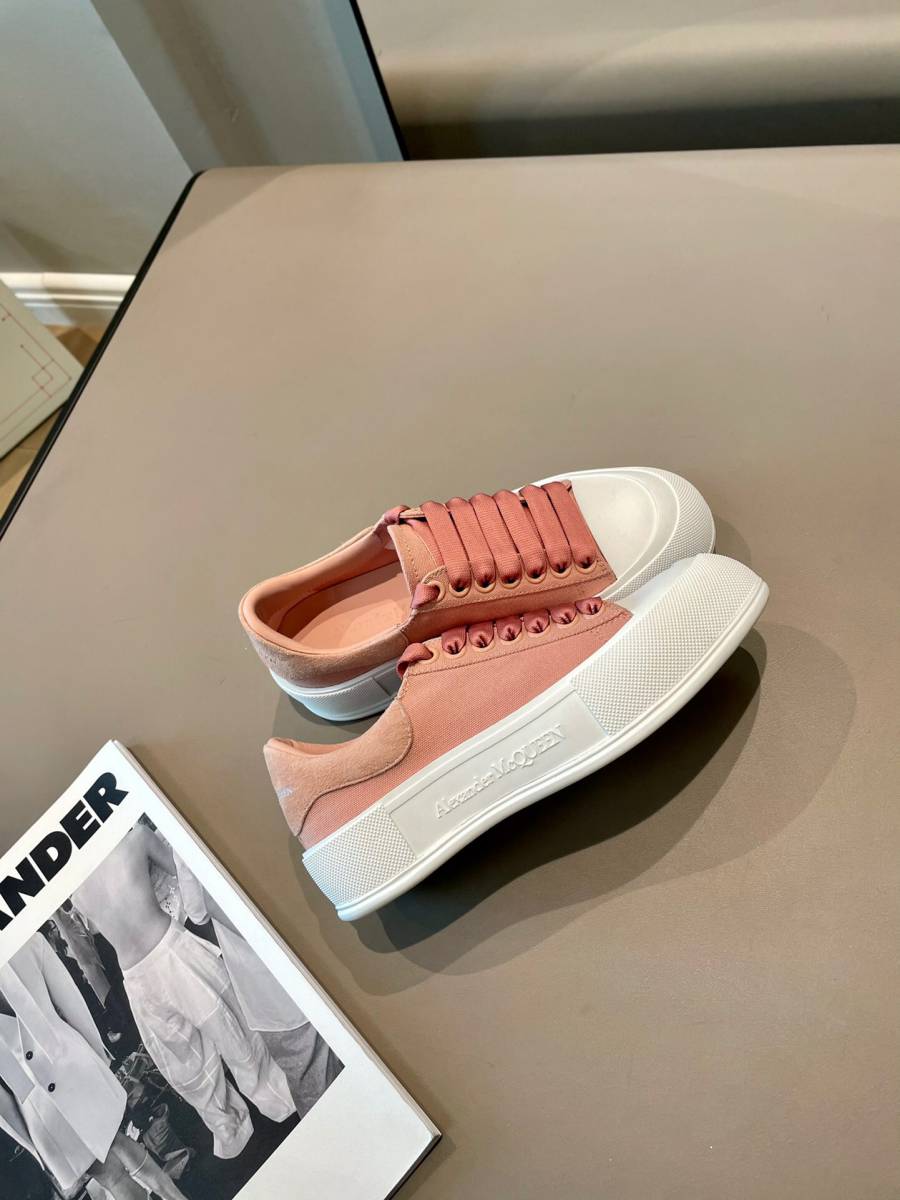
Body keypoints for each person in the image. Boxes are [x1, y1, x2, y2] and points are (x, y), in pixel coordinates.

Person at [74, 824, 295, 1159]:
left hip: (137, 975)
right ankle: (275, 1101)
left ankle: (232, 1127)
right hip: (169, 951)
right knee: (230, 1027)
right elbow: (183, 873)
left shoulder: (78, 889)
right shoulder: (135, 838)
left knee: (186, 1059)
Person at [0, 933, 186, 1200]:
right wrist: (98, 1059)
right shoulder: (26, 940)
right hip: (67, 1074)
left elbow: (2, 1104)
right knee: (120, 1150)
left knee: (113, 1169)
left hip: (45, 1102)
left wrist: (30, 1143)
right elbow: (72, 1003)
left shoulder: (27, 941)